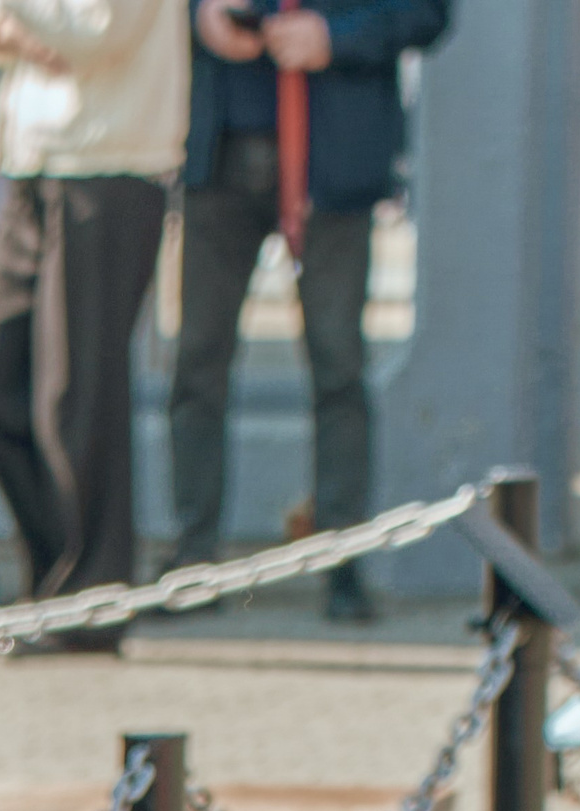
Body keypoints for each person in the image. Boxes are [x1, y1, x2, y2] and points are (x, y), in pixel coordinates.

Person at [169, 0, 452, 624]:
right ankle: (192, 559)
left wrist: (334, 36)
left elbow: (428, 13)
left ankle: (341, 561)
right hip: (220, 151)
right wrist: (203, 17)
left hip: (331, 156)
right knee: (198, 363)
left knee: (337, 367)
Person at [0, 0, 189, 649]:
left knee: (76, 397)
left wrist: (13, 18)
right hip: (30, 165)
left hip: (111, 168)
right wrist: (12, 27)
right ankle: (54, 581)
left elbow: (97, 34)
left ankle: (90, 603)